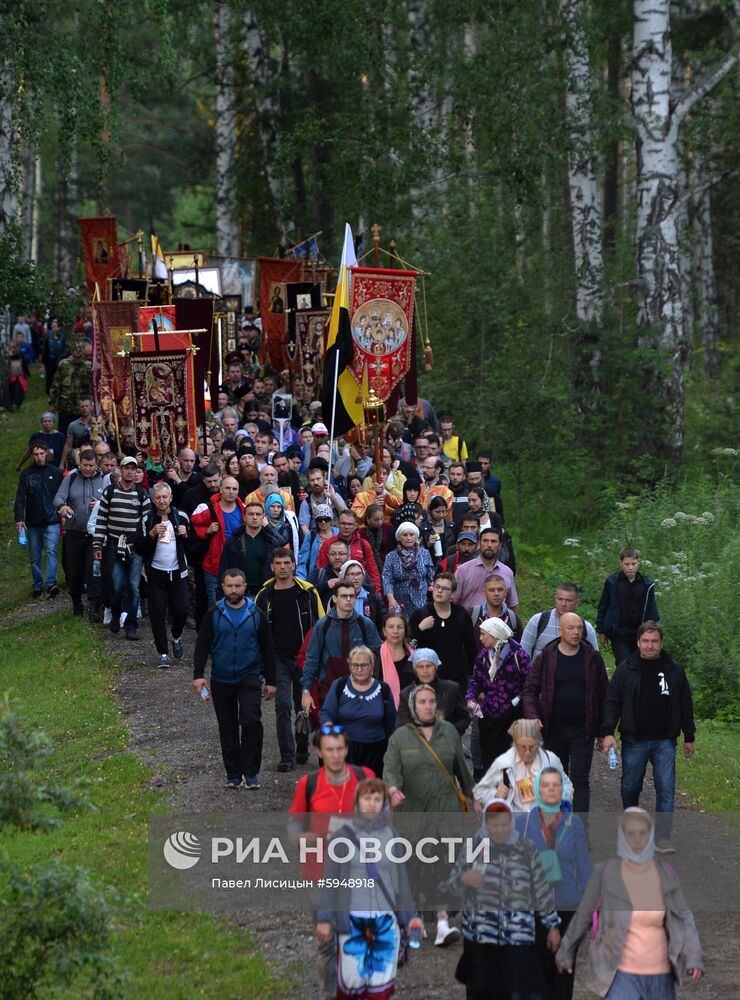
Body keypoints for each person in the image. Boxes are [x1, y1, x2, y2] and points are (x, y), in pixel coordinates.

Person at [555, 808, 704, 999]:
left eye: (642, 833)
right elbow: (583, 915)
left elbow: (684, 917)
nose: (637, 839)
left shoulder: (665, 873)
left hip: (661, 978)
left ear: (650, 836)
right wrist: (565, 952)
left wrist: (694, 957)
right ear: (622, 837)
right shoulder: (605, 873)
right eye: (630, 834)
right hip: (620, 977)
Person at [383, 683, 474, 946]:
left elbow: (461, 770)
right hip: (413, 813)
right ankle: (417, 922)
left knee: (445, 866)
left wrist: (473, 797)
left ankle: (443, 922)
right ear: (413, 705)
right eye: (422, 702)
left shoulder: (448, 733)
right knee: (416, 869)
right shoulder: (400, 737)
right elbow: (391, 770)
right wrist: (392, 789)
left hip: (446, 811)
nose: (428, 706)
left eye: (432, 701)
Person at [288, 728, 374, 999]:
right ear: (319, 752)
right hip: (319, 871)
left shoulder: (365, 777)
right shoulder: (308, 783)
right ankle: (331, 991)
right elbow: (293, 824)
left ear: (346, 750)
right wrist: (301, 839)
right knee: (328, 938)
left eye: (340, 749)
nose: (335, 756)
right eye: (329, 750)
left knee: (361, 935)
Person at [316, 778, 421, 1000]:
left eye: (377, 799)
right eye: (367, 798)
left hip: (386, 923)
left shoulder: (393, 836)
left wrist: (411, 917)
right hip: (352, 922)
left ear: (384, 803)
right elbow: (329, 882)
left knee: (380, 990)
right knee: (352, 986)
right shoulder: (342, 837)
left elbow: (401, 882)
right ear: (357, 801)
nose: (372, 804)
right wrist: (324, 918)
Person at [449, 798, 561, 1000]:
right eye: (494, 825)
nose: (500, 830)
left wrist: (552, 926)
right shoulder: (474, 847)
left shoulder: (527, 849)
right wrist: (464, 879)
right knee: (482, 991)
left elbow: (541, 890)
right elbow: (451, 888)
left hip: (518, 935)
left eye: (504, 825)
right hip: (481, 936)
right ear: (486, 823)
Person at [602, 622, 695, 853]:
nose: (650, 645)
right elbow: (612, 701)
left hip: (665, 740)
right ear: (638, 642)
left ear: (661, 643)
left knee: (666, 788)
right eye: (646, 641)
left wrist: (689, 735)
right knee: (630, 787)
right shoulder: (626, 668)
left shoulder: (674, 669)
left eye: (654, 641)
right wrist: (607, 732)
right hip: (635, 740)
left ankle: (663, 838)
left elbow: (685, 704)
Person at [193, 567, 276, 790]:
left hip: (249, 675)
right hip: (221, 677)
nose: (233, 590)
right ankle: (233, 773)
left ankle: (251, 773)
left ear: (245, 586)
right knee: (227, 727)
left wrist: (271, 680)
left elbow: (268, 648)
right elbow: (202, 645)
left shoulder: (256, 613)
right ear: (222, 587)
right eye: (229, 586)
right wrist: (198, 675)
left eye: (238, 586)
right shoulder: (214, 613)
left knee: (251, 721)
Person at [523, 612, 610, 815]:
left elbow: (606, 695)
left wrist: (604, 730)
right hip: (554, 728)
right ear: (559, 630)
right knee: (555, 778)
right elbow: (530, 689)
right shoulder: (547, 656)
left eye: (579, 628)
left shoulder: (592, 658)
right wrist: (533, 716)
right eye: (571, 628)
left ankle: (579, 831)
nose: (576, 632)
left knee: (580, 780)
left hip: (583, 729)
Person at [519, 767, 592, 1000]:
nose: (551, 789)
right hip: (533, 908)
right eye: (545, 785)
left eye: (555, 785)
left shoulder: (574, 823)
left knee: (563, 971)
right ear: (537, 790)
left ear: (562, 790)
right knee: (536, 972)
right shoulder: (524, 822)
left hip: (567, 905)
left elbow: (584, 866)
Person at [255, 548, 323, 771]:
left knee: (303, 707)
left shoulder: (308, 592)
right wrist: (263, 666)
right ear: (272, 566)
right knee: (282, 706)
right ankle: (287, 755)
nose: (283, 567)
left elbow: (321, 625)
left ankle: (302, 747)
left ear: (294, 565)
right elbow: (257, 632)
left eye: (287, 562)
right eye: (278, 563)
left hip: (304, 658)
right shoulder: (264, 595)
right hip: (278, 660)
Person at [93, 455, 151, 639]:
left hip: (134, 546)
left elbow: (147, 520)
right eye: (127, 468)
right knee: (117, 585)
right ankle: (116, 614)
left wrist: (145, 543)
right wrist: (97, 544)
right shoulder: (109, 492)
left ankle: (131, 626)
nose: (130, 471)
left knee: (134, 586)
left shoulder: (141, 493)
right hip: (114, 544)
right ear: (121, 469)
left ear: (136, 472)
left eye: (133, 469)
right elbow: (101, 519)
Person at [133, 482, 190, 668]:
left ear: (171, 498)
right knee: (157, 613)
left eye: (165, 497)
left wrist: (186, 534)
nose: (162, 501)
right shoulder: (147, 519)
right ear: (153, 500)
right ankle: (163, 653)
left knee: (181, 610)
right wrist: (151, 534)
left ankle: (176, 636)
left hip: (177, 572)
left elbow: (195, 542)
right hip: (155, 573)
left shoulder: (180, 516)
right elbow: (139, 548)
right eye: (158, 498)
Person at [301, 582, 382, 712]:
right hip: (328, 690)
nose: (349, 600)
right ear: (335, 599)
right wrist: (306, 691)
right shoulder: (323, 625)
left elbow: (378, 657)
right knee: (331, 730)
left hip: (360, 690)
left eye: (351, 596)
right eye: (344, 596)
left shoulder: (365, 624)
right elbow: (311, 659)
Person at [466, 618, 532, 776]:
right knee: (490, 761)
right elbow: (476, 680)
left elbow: (530, 684)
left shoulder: (518, 654)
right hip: (489, 716)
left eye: (483, 634)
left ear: (495, 634)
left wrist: (516, 701)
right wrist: (471, 697)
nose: (480, 638)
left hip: (512, 718)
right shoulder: (483, 656)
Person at [320, 646, 396, 776]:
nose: (359, 669)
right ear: (349, 665)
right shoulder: (339, 685)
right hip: (345, 750)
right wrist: (329, 729)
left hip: (376, 753)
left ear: (372, 665)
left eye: (364, 665)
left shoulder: (383, 689)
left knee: (370, 792)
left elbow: (391, 724)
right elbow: (327, 713)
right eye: (355, 665)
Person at [474, 718, 573, 812]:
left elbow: (567, 785)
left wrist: (558, 798)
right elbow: (479, 791)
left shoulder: (550, 759)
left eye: (532, 747)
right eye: (523, 747)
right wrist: (495, 795)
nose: (527, 752)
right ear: (515, 744)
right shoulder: (504, 763)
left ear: (539, 743)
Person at [53, 447, 106, 616]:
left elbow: (111, 499)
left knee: (94, 570)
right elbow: (58, 498)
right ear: (79, 463)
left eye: (91, 465)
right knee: (74, 571)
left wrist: (100, 504)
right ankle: (76, 602)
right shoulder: (71, 478)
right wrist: (63, 506)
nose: (88, 468)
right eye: (85, 465)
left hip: (95, 535)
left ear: (96, 464)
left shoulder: (104, 479)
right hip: (74, 532)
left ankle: (94, 605)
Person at [409, 571, 478, 690]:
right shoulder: (420, 614)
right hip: (429, 679)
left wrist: (475, 678)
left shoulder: (461, 615)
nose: (439, 591)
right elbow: (408, 642)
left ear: (452, 594)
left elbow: (470, 647)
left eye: (445, 588)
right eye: (437, 587)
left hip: (457, 678)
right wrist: (420, 628)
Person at [14, 443, 64, 598]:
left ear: (46, 454)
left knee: (51, 551)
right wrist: (19, 519)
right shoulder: (26, 474)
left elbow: (62, 495)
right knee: (35, 556)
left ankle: (51, 583)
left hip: (52, 520)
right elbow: (20, 498)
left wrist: (63, 514)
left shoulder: (55, 472)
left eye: (42, 453)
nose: (39, 457)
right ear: (32, 455)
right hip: (33, 522)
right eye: (36, 454)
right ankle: (37, 585)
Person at [597, 547, 660, 666]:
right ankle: (624, 684)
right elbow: (603, 606)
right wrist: (602, 631)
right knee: (623, 665)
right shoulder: (612, 582)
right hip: (619, 632)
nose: (630, 567)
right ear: (621, 563)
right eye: (627, 564)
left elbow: (652, 611)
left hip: (640, 632)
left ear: (638, 563)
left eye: (633, 564)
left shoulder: (647, 585)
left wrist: (653, 633)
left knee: (641, 664)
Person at [190, 477, 246, 607]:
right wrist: (207, 531)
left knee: (237, 603)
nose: (231, 491)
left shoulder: (244, 509)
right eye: (228, 488)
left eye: (234, 489)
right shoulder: (208, 508)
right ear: (221, 489)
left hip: (237, 564)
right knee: (215, 605)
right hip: (213, 565)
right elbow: (193, 525)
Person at [217, 500, 284, 597]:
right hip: (239, 594)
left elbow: (278, 570)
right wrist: (220, 594)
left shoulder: (272, 543)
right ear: (244, 517)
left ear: (263, 517)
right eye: (251, 514)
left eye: (258, 514)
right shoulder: (233, 541)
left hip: (265, 593)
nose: (255, 517)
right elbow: (224, 568)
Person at [396, 647, 469, 736]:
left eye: (429, 666)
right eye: (420, 667)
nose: (425, 671)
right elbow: (401, 725)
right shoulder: (406, 694)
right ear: (415, 670)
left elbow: (464, 718)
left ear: (436, 668)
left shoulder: (451, 689)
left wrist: (449, 732)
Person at [520, 583, 598, 661]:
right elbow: (523, 653)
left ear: (577, 603)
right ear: (555, 599)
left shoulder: (586, 628)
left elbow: (595, 660)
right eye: (560, 599)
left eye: (568, 601)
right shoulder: (538, 621)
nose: (563, 604)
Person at [314, 509, 382, 596]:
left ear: (356, 526)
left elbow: (373, 572)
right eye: (343, 523)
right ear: (338, 524)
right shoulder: (328, 544)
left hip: (360, 594)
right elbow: (320, 570)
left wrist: (377, 596)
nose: (346, 527)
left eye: (350, 524)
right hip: (333, 594)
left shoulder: (364, 545)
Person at [453, 527, 518, 612]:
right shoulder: (463, 570)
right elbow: (452, 600)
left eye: (493, 541)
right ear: (479, 544)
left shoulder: (507, 572)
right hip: (469, 622)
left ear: (500, 545)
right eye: (485, 541)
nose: (489, 545)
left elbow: (513, 605)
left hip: (498, 622)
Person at [382, 521, 435, 616]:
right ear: (399, 537)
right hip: (400, 601)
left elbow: (431, 577)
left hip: (422, 599)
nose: (408, 538)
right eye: (405, 535)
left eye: (411, 534)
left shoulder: (424, 553)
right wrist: (391, 599)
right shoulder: (391, 556)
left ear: (416, 536)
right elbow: (387, 579)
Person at [47, 334, 92, 434]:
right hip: (65, 406)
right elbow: (56, 384)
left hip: (81, 407)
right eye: (75, 349)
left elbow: (93, 387)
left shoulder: (88, 366)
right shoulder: (64, 364)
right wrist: (51, 403)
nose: (77, 351)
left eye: (80, 349)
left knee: (82, 433)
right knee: (64, 432)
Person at [469, 573, 523, 645]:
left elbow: (519, 648)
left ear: (505, 592)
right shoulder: (472, 616)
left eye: (500, 589)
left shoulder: (513, 619)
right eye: (491, 590)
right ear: (484, 593)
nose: (496, 593)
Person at [337, 558, 386, 630]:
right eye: (352, 574)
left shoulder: (372, 596)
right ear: (344, 577)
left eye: (359, 574)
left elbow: (383, 621)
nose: (356, 578)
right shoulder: (337, 598)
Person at [298, 464, 347, 535]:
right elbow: (304, 527)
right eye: (312, 480)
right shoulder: (306, 502)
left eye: (318, 479)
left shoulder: (333, 494)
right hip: (317, 537)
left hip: (335, 536)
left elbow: (345, 512)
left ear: (324, 478)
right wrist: (312, 540)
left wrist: (333, 498)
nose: (315, 483)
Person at [296, 503, 338, 580]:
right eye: (320, 519)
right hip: (317, 575)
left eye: (326, 519)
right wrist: (301, 578)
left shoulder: (338, 533)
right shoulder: (311, 535)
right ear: (316, 521)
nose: (323, 522)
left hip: (337, 574)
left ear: (331, 520)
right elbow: (302, 559)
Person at [378, 612, 414, 702]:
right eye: (391, 627)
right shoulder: (374, 656)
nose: (395, 631)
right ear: (384, 631)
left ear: (405, 631)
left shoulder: (415, 656)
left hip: (410, 709)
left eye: (400, 627)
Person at [310, 537, 351, 607]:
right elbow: (306, 594)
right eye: (333, 554)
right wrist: (326, 585)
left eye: (341, 554)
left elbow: (370, 593)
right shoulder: (318, 574)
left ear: (348, 556)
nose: (337, 557)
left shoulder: (358, 573)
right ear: (328, 556)